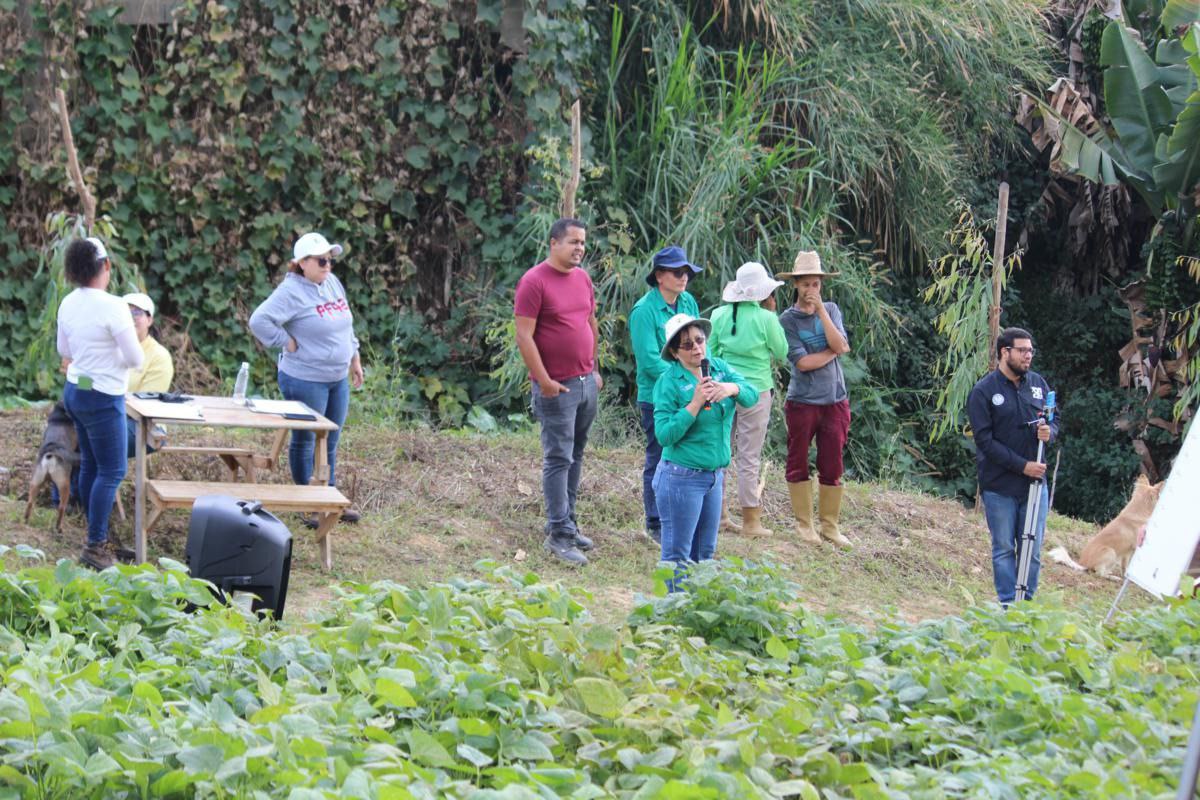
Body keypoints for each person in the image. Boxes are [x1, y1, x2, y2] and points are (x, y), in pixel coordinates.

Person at [249, 232, 364, 524]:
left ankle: (328, 498)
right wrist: (285, 341)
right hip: (305, 378)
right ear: (302, 263)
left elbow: (345, 324)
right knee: (306, 439)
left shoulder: (331, 283)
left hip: (336, 376)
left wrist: (354, 357)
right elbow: (258, 320)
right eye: (322, 260)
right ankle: (306, 502)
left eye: (330, 259)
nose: (328, 265)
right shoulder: (290, 292)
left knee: (331, 438)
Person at [514, 217, 601, 566]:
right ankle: (559, 535)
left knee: (575, 455)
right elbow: (524, 335)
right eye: (573, 242)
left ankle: (568, 521)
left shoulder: (582, 278)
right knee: (558, 457)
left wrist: (595, 368)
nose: (579, 248)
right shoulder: (534, 282)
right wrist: (544, 380)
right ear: (554, 243)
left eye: (582, 242)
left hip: (584, 383)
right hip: (556, 388)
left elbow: (589, 321)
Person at [57, 237, 144, 570]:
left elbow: (64, 350)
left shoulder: (68, 302)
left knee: (92, 462)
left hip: (75, 391)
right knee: (113, 470)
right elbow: (136, 358)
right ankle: (95, 545)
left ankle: (94, 531)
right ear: (106, 266)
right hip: (105, 396)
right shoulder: (113, 306)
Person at [652, 313, 758, 588]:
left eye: (700, 340)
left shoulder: (719, 368)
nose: (697, 348)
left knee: (705, 554)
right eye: (687, 345)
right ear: (675, 353)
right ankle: (672, 617)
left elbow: (752, 393)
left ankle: (697, 617)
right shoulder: (669, 382)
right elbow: (664, 435)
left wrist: (730, 388)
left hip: (714, 477)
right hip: (681, 477)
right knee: (677, 556)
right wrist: (695, 404)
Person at [967, 327, 1057, 605]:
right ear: (1005, 352)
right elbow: (984, 441)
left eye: (1030, 350)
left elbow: (1054, 419)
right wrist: (1022, 466)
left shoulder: (1038, 384)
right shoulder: (983, 392)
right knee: (1004, 548)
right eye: (1022, 350)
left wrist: (1050, 432)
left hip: (1034, 487)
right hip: (1000, 487)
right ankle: (1008, 603)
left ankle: (1026, 604)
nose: (1028, 355)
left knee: (1033, 547)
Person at [777, 251, 852, 548]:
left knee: (832, 463)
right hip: (803, 401)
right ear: (796, 285)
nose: (811, 290)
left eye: (816, 284)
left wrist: (820, 311)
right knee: (798, 461)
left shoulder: (831, 309)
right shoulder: (787, 319)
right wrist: (833, 351)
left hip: (835, 399)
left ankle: (830, 526)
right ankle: (804, 525)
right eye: (806, 284)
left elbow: (841, 343)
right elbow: (803, 363)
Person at [628, 245, 701, 544]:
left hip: (689, 392)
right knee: (659, 458)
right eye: (676, 272)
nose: (683, 277)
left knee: (687, 457)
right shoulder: (644, 310)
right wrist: (683, 380)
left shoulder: (688, 301)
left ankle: (683, 519)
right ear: (659, 276)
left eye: (686, 271)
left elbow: (699, 343)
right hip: (657, 396)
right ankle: (655, 523)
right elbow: (647, 361)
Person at [708, 262, 788, 537]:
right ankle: (751, 521)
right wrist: (771, 317)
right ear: (763, 293)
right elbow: (781, 351)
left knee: (720, 453)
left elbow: (712, 352)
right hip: (756, 390)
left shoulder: (719, 315)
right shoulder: (766, 319)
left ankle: (717, 518)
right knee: (749, 456)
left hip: (724, 389)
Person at [123, 292, 173, 457]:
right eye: (125, 312)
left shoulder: (159, 356)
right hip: (106, 414)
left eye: (137, 313)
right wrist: (76, 377)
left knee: (92, 438)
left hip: (143, 425)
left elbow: (146, 405)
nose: (131, 318)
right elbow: (88, 384)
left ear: (149, 320)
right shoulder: (107, 348)